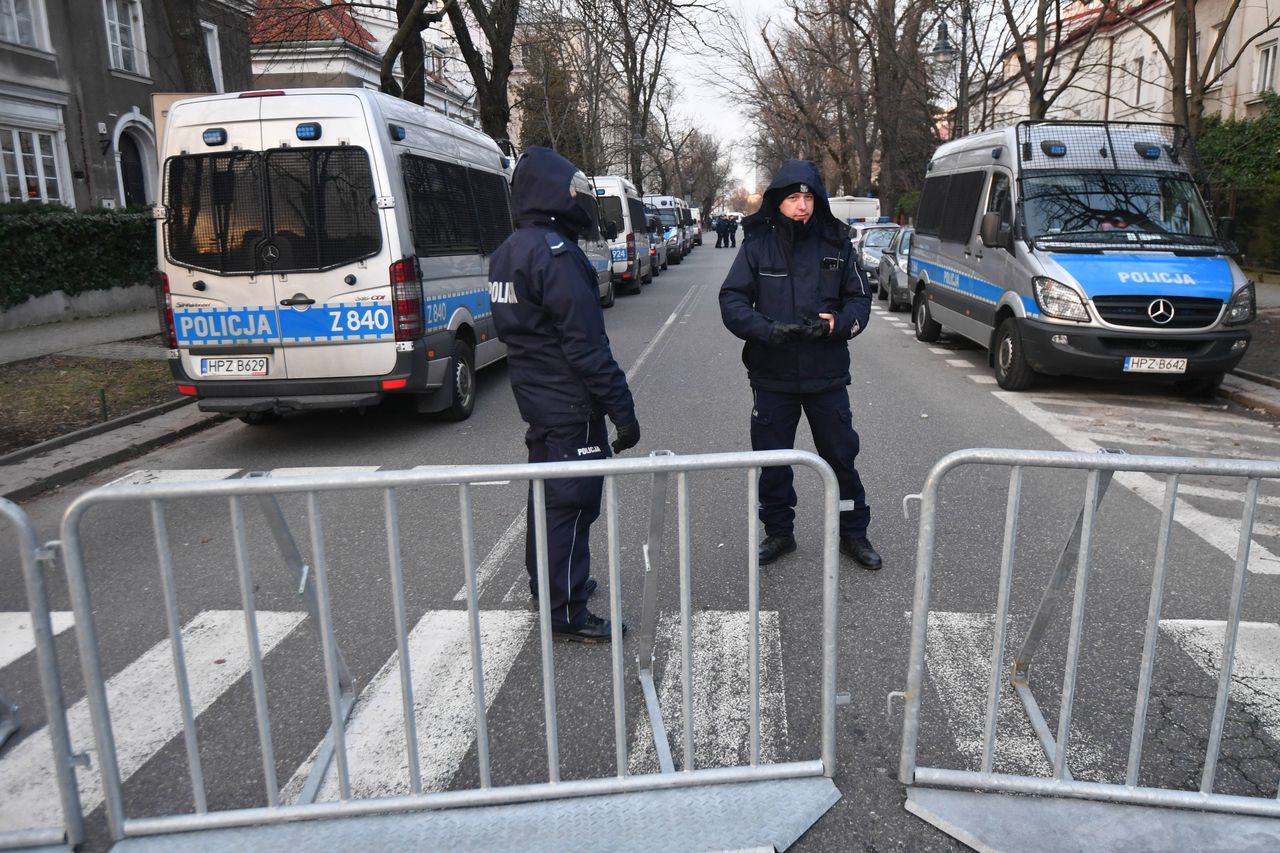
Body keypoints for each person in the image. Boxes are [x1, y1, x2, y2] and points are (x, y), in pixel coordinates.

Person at [488, 147, 642, 642]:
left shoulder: (508, 250)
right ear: (557, 193)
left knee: (547, 496)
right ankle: (567, 608)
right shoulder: (557, 255)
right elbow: (587, 346)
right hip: (568, 402)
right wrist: (623, 410)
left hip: (537, 396)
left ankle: (549, 583)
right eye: (574, 188)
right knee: (572, 504)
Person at [718, 159, 881, 571]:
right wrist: (766, 330)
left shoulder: (837, 243)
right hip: (772, 376)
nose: (802, 205)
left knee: (841, 457)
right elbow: (732, 302)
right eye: (793, 197)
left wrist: (838, 324)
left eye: (808, 197)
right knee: (772, 460)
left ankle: (854, 532)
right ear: (779, 201)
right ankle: (779, 532)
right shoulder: (757, 244)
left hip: (826, 374)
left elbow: (860, 300)